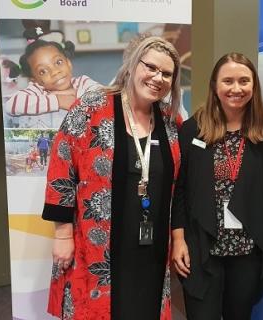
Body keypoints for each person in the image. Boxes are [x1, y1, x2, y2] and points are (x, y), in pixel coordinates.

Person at [41, 36, 183, 320]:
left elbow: (179, 182)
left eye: (167, 74)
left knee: (144, 305)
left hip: (150, 241)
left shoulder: (169, 119)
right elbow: (61, 166)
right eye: (151, 67)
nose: (158, 78)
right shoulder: (93, 106)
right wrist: (62, 234)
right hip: (98, 242)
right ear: (132, 66)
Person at [171, 52, 263, 320]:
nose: (236, 88)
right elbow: (180, 190)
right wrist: (178, 240)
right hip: (201, 249)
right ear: (214, 86)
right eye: (228, 81)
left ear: (253, 86)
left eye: (244, 81)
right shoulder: (192, 131)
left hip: (247, 252)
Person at [5, 27, 100, 116]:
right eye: (43, 71)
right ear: (35, 80)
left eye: (58, 62)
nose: (55, 72)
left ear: (68, 63)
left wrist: (72, 93)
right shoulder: (37, 89)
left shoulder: (83, 82)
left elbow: (105, 97)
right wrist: (59, 100)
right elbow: (11, 105)